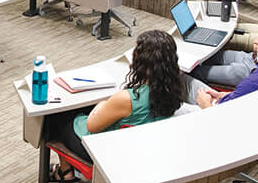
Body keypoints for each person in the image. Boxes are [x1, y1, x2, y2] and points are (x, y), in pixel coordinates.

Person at [44, 30, 185, 166]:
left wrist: (101, 105)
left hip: (103, 150)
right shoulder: (173, 87)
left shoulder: (126, 99)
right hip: (139, 149)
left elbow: (91, 126)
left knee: (55, 116)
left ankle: (65, 171)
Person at [193, 16, 258, 108]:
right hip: (226, 102)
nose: (255, 41)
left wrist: (206, 105)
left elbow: (221, 121)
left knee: (184, 84)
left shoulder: (254, 82)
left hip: (211, 114)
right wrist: (226, 95)